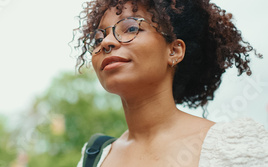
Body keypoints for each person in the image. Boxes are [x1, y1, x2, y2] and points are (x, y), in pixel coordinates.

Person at [73, 0, 267, 166]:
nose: (107, 42)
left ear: (174, 51)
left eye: (131, 28)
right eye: (98, 38)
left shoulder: (232, 146)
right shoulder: (94, 157)